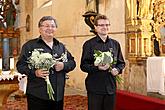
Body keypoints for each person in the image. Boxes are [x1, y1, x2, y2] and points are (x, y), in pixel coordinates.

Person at [16, 16, 76, 110]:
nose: (50, 28)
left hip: (58, 95)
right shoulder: (30, 46)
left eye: (53, 26)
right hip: (37, 94)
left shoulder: (61, 47)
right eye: (46, 26)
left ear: (56, 29)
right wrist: (35, 72)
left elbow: (72, 63)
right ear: (40, 29)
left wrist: (63, 66)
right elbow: (20, 66)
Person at [80, 14, 125, 110]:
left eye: (107, 25)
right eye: (101, 25)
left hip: (111, 86)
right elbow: (83, 66)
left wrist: (117, 69)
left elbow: (121, 63)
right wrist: (98, 67)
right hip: (95, 86)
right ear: (96, 27)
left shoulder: (115, 44)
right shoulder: (89, 44)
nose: (105, 27)